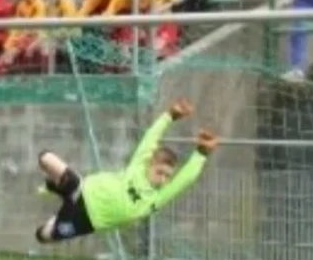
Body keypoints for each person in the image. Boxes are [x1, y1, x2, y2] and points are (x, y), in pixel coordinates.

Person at [32, 99, 218, 245]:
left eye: (167, 177)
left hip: (86, 221)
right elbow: (150, 137)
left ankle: (58, 198)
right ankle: (60, 186)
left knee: (44, 236)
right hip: (83, 191)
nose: (163, 180)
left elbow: (185, 179)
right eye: (160, 172)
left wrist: (201, 153)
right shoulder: (138, 166)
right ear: (150, 164)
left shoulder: (156, 198)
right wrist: (169, 116)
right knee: (46, 158)